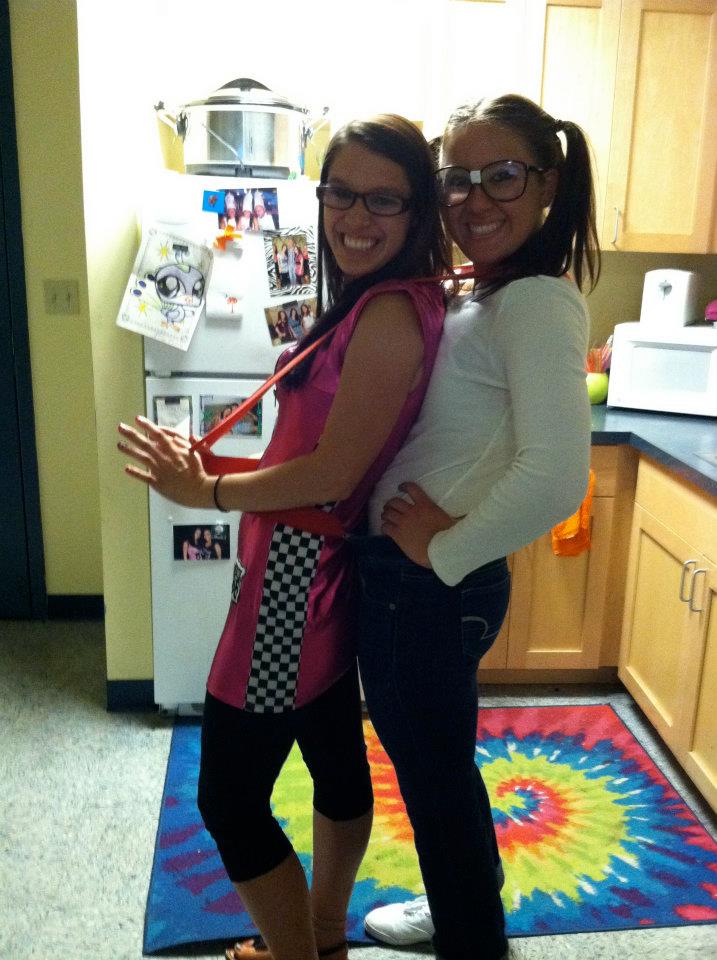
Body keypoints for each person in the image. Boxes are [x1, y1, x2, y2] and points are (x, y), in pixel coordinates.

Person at [117, 114, 452, 960]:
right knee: (333, 759)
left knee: (229, 798)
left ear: (418, 209)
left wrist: (208, 489)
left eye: (383, 199)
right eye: (340, 193)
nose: (355, 216)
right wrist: (217, 466)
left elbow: (332, 475)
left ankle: (301, 953)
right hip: (307, 566)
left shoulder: (386, 313)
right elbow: (315, 453)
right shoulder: (374, 301)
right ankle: (320, 940)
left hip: (292, 577)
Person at [355, 94, 599, 960]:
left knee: (432, 775)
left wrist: (440, 548)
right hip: (415, 581)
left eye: (502, 175)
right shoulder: (485, 294)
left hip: (426, 584)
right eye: (456, 178)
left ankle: (470, 939)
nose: (474, 199)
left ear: (548, 184)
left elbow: (558, 475)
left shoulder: (534, 302)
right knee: (437, 767)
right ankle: (461, 901)